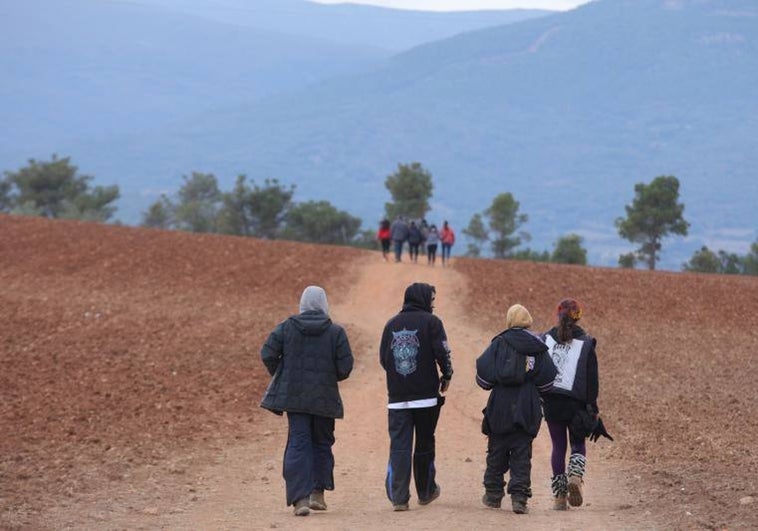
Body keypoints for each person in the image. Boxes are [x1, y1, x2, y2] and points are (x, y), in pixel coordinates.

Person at [260, 286, 354, 516]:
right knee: (322, 443)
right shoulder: (336, 332)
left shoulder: (286, 328)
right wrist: (329, 376)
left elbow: (267, 353)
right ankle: (317, 494)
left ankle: (299, 499)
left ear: (302, 304)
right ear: (324, 304)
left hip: (295, 398)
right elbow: (345, 367)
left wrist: (284, 373)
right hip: (325, 399)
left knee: (298, 443)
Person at [476, 304, 557, 515]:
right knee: (521, 453)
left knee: (496, 450)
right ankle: (519, 499)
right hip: (527, 404)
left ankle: (493, 495)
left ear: (509, 320)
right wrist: (532, 385)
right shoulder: (538, 346)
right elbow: (548, 379)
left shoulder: (499, 342)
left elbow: (484, 377)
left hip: (500, 404)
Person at [380, 283, 453, 511]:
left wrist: (399, 378)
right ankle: (426, 491)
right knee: (424, 443)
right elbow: (443, 352)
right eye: (431, 299)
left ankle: (399, 498)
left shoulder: (390, 324)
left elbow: (384, 359)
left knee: (399, 446)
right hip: (426, 398)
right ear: (423, 299)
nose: (432, 303)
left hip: (397, 397)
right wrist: (447, 375)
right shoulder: (432, 322)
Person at [540, 298, 603, 510]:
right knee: (578, 444)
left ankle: (559, 496)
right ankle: (575, 475)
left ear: (558, 315)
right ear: (578, 316)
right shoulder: (586, 343)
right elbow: (592, 380)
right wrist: (592, 407)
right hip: (576, 404)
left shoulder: (545, 339)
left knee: (558, 447)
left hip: (551, 402)